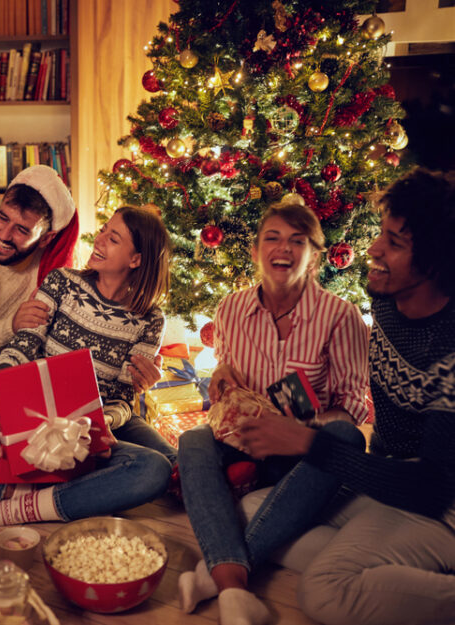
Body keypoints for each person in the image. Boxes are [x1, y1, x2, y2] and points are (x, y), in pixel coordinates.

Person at [237, 168, 455, 625]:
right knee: (256, 512)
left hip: (439, 505)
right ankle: (391, 566)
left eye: (394, 243)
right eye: (382, 235)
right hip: (386, 479)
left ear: (436, 262)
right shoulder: (387, 301)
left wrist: (307, 442)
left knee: (322, 590)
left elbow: (433, 487)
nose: (373, 249)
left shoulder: (449, 346)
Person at [0, 206, 175, 535]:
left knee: (155, 467)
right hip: (30, 416)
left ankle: (8, 508)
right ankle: (70, 496)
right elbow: (24, 343)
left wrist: (99, 429)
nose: (98, 240)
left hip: (85, 432)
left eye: (112, 239)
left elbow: (123, 396)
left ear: (136, 260)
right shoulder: (62, 282)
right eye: (103, 230)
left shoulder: (150, 320)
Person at [176, 197, 369, 625]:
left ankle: (219, 576)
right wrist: (222, 371)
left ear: (314, 256)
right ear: (256, 250)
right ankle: (233, 587)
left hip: (299, 456)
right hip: (241, 447)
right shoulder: (231, 309)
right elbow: (228, 392)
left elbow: (356, 404)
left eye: (296, 241)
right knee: (191, 439)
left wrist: (302, 425)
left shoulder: (341, 317)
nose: (283, 248)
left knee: (348, 440)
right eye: (273, 238)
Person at [0, 164, 161, 411]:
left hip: (47, 389)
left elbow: (89, 351)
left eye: (22, 229)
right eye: (2, 218)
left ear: (47, 238)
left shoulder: (57, 267)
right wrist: (10, 326)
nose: (4, 234)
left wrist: (138, 370)